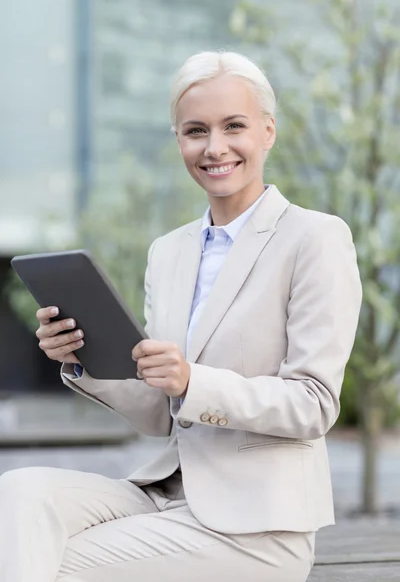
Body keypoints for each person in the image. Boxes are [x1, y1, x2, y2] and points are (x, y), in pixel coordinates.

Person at [0, 51, 362, 582]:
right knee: (17, 494)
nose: (215, 147)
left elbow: (314, 404)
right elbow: (159, 414)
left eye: (233, 126)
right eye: (196, 131)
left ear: (267, 132)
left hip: (256, 529)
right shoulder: (168, 253)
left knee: (56, 562)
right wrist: (84, 362)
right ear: (179, 141)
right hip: (165, 494)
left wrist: (195, 381)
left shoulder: (314, 238)